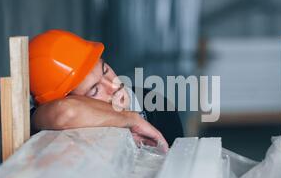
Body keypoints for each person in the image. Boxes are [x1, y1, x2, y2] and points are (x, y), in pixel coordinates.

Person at [29, 29, 183, 151]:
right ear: (67, 99)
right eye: (94, 90)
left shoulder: (157, 107)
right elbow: (66, 112)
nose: (114, 86)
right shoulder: (43, 121)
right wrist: (133, 120)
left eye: (105, 70)